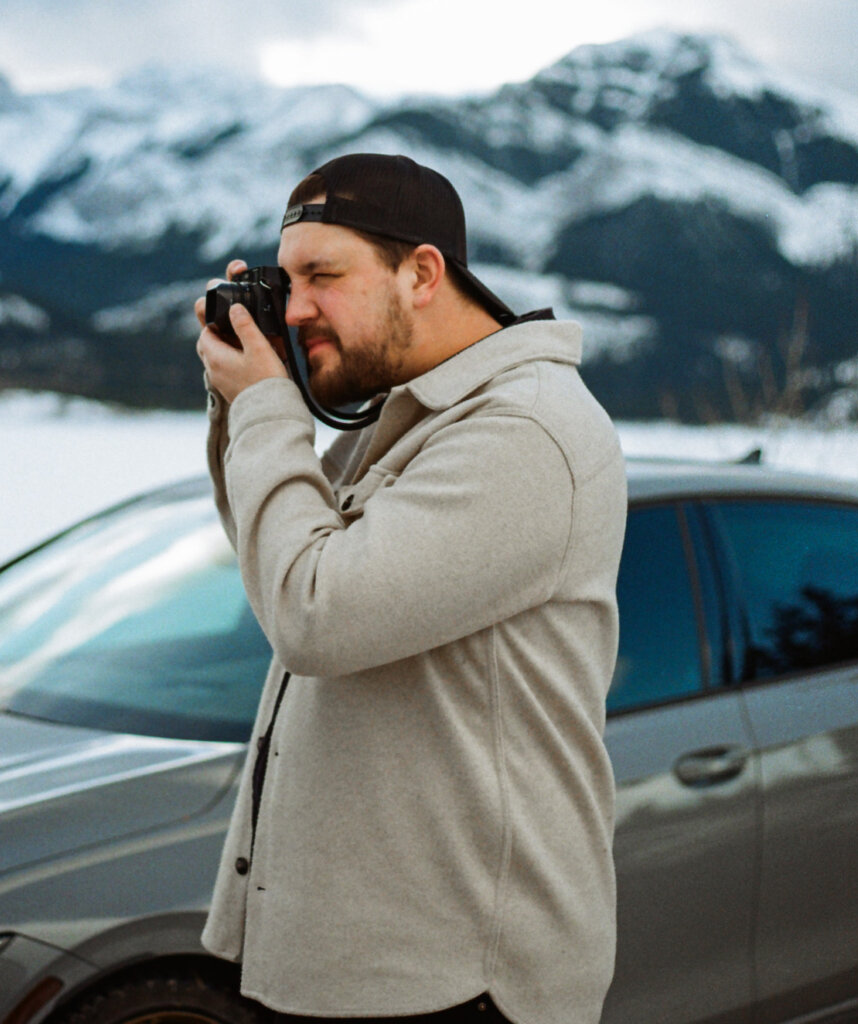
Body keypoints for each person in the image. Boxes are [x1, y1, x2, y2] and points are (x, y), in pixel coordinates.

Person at [195, 153, 627, 1024]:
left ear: (421, 272)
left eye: (325, 276)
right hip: (360, 966)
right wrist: (237, 402)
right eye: (288, 281)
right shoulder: (418, 416)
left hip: (451, 979)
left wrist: (268, 410)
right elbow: (278, 560)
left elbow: (315, 614)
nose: (302, 304)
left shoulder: (524, 431)